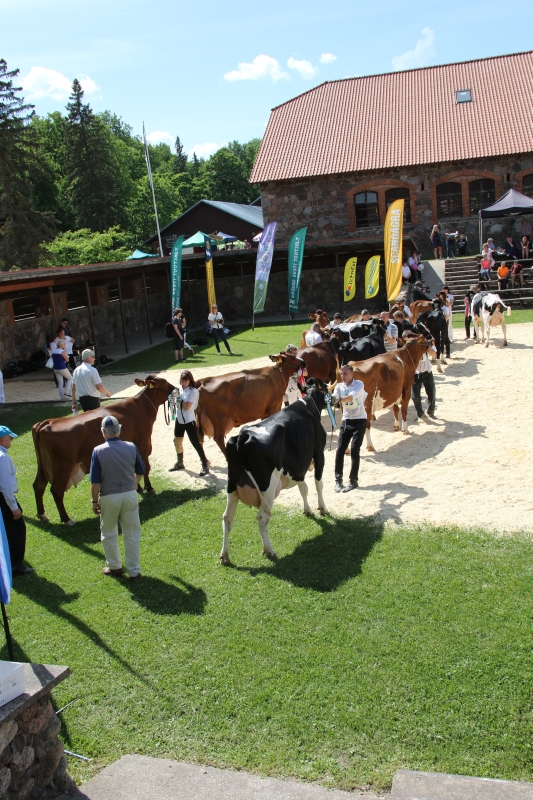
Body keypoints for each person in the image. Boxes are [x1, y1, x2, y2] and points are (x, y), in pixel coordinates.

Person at [90, 415, 145, 580]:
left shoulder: (98, 451)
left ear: (103, 432)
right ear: (118, 430)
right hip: (130, 495)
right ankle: (134, 571)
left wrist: (94, 501)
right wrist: (132, 484)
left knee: (108, 532)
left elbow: (95, 483)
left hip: (109, 496)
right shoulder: (131, 447)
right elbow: (140, 472)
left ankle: (115, 566)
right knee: (132, 533)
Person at [0, 426, 34, 575]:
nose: (11, 441)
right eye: (9, 438)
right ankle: (15, 566)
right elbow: (5, 486)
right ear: (2, 440)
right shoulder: (3, 458)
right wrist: (14, 507)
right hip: (4, 498)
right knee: (17, 530)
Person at [333, 364, 368, 494]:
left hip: (360, 420)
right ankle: (338, 480)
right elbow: (334, 397)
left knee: (354, 449)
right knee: (340, 450)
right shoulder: (338, 386)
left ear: (352, 374)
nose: (342, 376)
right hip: (346, 421)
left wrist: (337, 400)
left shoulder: (359, 384)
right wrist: (330, 399)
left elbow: (351, 397)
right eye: (341, 374)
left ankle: (353, 481)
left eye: (345, 374)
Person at [168, 371, 209, 476]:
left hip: (189, 421)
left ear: (190, 380)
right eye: (182, 380)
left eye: (186, 381)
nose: (183, 383)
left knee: (195, 443)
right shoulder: (179, 389)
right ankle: (180, 463)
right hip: (179, 420)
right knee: (177, 441)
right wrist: (171, 398)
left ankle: (205, 465)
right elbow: (173, 402)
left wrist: (178, 398)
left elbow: (187, 407)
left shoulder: (193, 392)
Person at [411, 345, 437, 420]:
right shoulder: (410, 344)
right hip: (415, 374)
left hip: (427, 371)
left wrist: (428, 349)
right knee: (415, 396)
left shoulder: (427, 342)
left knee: (432, 393)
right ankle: (420, 413)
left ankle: (430, 411)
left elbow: (434, 354)